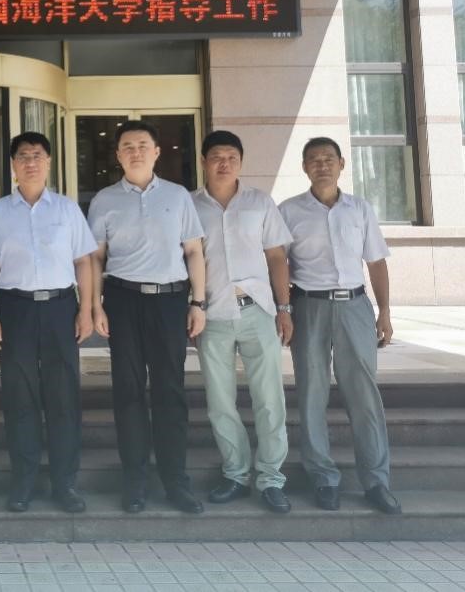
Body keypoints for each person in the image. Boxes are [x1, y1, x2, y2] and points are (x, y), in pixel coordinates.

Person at [87, 120, 207, 515]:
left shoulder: (178, 196)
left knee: (170, 391)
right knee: (128, 392)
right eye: (127, 146)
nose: (135, 151)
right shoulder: (104, 200)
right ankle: (135, 480)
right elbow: (96, 258)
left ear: (156, 152)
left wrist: (198, 302)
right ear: (118, 155)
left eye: (142, 145)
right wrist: (96, 305)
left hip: (169, 302)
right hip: (122, 300)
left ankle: (176, 481)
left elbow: (193, 251)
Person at [279, 136, 401, 515]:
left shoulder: (360, 209)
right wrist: (283, 310)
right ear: (304, 167)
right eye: (314, 160)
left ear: (342, 164)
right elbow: (278, 264)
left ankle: (376, 481)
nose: (322, 165)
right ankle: (323, 478)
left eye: (329, 159)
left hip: (354, 307)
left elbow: (376, 262)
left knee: (364, 395)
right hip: (308, 307)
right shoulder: (288, 211)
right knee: (311, 393)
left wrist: (384, 311)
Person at [0, 132, 96, 514]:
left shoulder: (66, 210)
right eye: (24, 156)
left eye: (38, 155)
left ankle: (65, 484)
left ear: (49, 163)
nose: (31, 162)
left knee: (63, 399)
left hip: (61, 308)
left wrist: (86, 310)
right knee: (20, 398)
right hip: (16, 310)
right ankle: (24, 482)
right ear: (13, 165)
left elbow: (83, 262)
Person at [192, 130, 293, 514]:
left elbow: (277, 258)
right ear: (204, 161)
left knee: (270, 399)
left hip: (258, 312)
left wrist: (284, 309)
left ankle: (271, 478)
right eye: (217, 156)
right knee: (220, 402)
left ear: (241, 162)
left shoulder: (260, 202)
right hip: (213, 314)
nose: (225, 163)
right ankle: (235, 474)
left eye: (232, 157)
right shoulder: (190, 206)